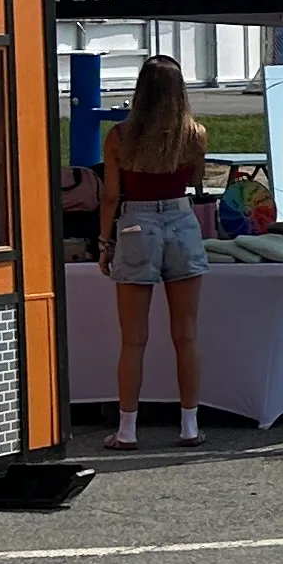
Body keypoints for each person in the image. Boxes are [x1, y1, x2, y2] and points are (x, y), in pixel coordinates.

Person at [97, 53, 211, 445]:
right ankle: (189, 424)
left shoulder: (119, 136)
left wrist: (104, 242)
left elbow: (111, 196)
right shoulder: (194, 134)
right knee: (186, 334)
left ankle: (127, 429)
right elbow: (196, 182)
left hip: (136, 222)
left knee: (133, 339)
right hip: (181, 219)